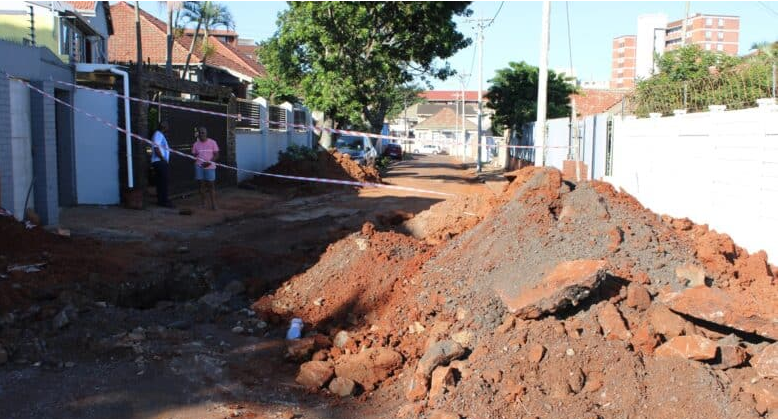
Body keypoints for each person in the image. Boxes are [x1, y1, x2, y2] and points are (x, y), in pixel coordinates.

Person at [191, 126, 220, 210]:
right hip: (199, 166)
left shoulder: (212, 142)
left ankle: (213, 204)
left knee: (211, 185)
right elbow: (194, 155)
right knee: (201, 186)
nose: (201, 134)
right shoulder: (195, 144)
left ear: (206, 133)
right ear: (198, 134)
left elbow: (217, 155)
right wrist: (195, 156)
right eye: (200, 133)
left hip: (210, 167)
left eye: (203, 132)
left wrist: (209, 162)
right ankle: (203, 203)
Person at [151, 120, 173, 207]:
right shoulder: (158, 134)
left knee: (161, 182)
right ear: (163, 126)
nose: (168, 127)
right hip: (160, 162)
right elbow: (156, 148)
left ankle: (161, 201)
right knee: (163, 182)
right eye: (167, 125)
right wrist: (163, 159)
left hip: (160, 162)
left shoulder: (160, 135)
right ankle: (164, 201)